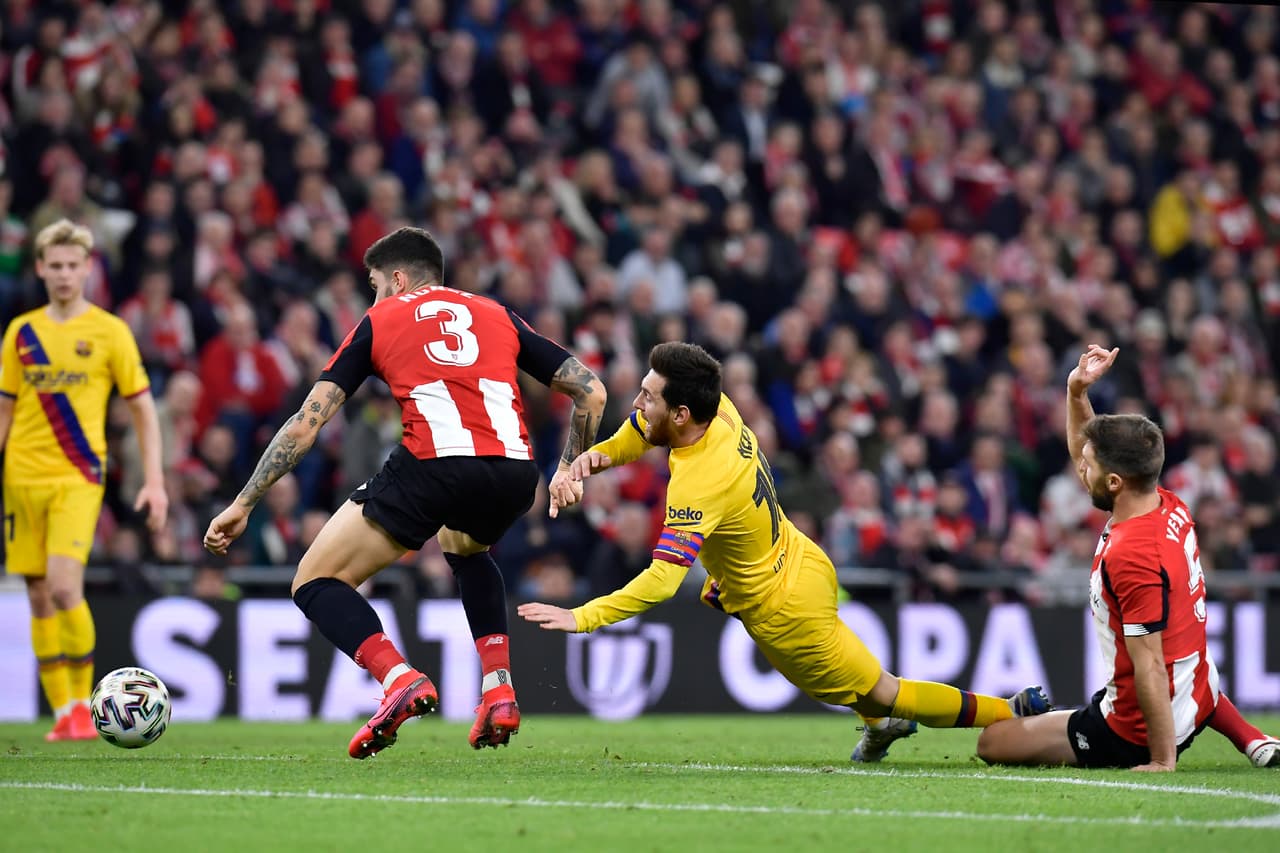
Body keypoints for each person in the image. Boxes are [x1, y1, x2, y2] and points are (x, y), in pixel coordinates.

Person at [519, 342, 1049, 763]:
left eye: (647, 396)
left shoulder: (699, 483)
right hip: (802, 557)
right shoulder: (718, 409)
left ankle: (1008, 711)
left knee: (885, 690)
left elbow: (661, 580)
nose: (636, 403)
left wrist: (584, 616)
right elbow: (640, 433)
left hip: (785, 613)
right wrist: (592, 460)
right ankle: (879, 727)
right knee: (855, 684)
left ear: (680, 414)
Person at [204, 226, 606, 758]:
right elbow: (591, 391)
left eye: (374, 286)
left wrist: (243, 503)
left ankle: (399, 679)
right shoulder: (495, 312)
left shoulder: (382, 318)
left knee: (315, 580)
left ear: (396, 279)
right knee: (466, 548)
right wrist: (569, 468)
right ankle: (499, 689)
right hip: (514, 471)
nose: (373, 297)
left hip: (436, 464)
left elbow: (305, 424)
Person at [976, 345, 1280, 770]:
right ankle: (1251, 738)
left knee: (992, 742)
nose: (1081, 468)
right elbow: (1088, 452)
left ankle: (1167, 744)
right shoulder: (1168, 503)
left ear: (1115, 482)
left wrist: (1161, 759)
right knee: (1186, 655)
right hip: (1195, 688)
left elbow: (1149, 664)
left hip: (1135, 727)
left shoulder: (1132, 554)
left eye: (1089, 466)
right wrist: (1076, 394)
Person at [0, 219, 168, 742]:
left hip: (77, 474)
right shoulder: (21, 333)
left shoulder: (109, 331)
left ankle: (84, 703)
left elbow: (143, 410)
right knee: (37, 594)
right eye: (55, 265)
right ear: (40, 268)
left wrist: (154, 481)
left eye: (73, 265)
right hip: (21, 475)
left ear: (87, 268)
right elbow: (5, 411)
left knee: (64, 586)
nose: (64, 274)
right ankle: (65, 712)